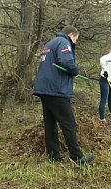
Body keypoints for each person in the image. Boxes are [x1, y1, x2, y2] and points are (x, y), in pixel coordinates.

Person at [33, 26, 95, 165]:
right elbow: (66, 61)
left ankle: (53, 155)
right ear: (71, 34)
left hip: (44, 89)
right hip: (56, 89)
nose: (75, 42)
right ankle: (77, 157)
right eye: (76, 39)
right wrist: (75, 70)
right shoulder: (63, 42)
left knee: (50, 123)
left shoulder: (49, 43)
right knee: (69, 123)